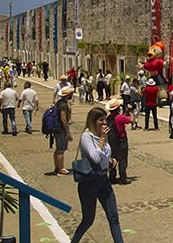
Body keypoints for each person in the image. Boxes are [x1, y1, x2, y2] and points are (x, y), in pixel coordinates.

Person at [71, 107, 124, 243]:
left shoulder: (102, 136)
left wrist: (111, 160)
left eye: (105, 119)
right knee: (88, 220)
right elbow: (94, 157)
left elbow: (103, 155)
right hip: (90, 182)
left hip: (104, 180)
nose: (104, 122)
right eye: (101, 120)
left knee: (113, 218)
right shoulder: (86, 137)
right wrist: (102, 139)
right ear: (93, 121)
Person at [106, 99, 132, 185]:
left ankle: (112, 177)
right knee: (123, 159)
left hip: (111, 140)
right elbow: (130, 120)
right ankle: (123, 178)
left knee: (113, 158)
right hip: (121, 140)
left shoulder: (109, 118)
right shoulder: (119, 117)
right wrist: (129, 111)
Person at [53, 86, 74, 176]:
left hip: (58, 128)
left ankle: (58, 167)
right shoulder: (63, 105)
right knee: (61, 149)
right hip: (61, 129)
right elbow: (63, 118)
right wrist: (67, 131)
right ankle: (60, 169)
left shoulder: (59, 103)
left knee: (58, 149)